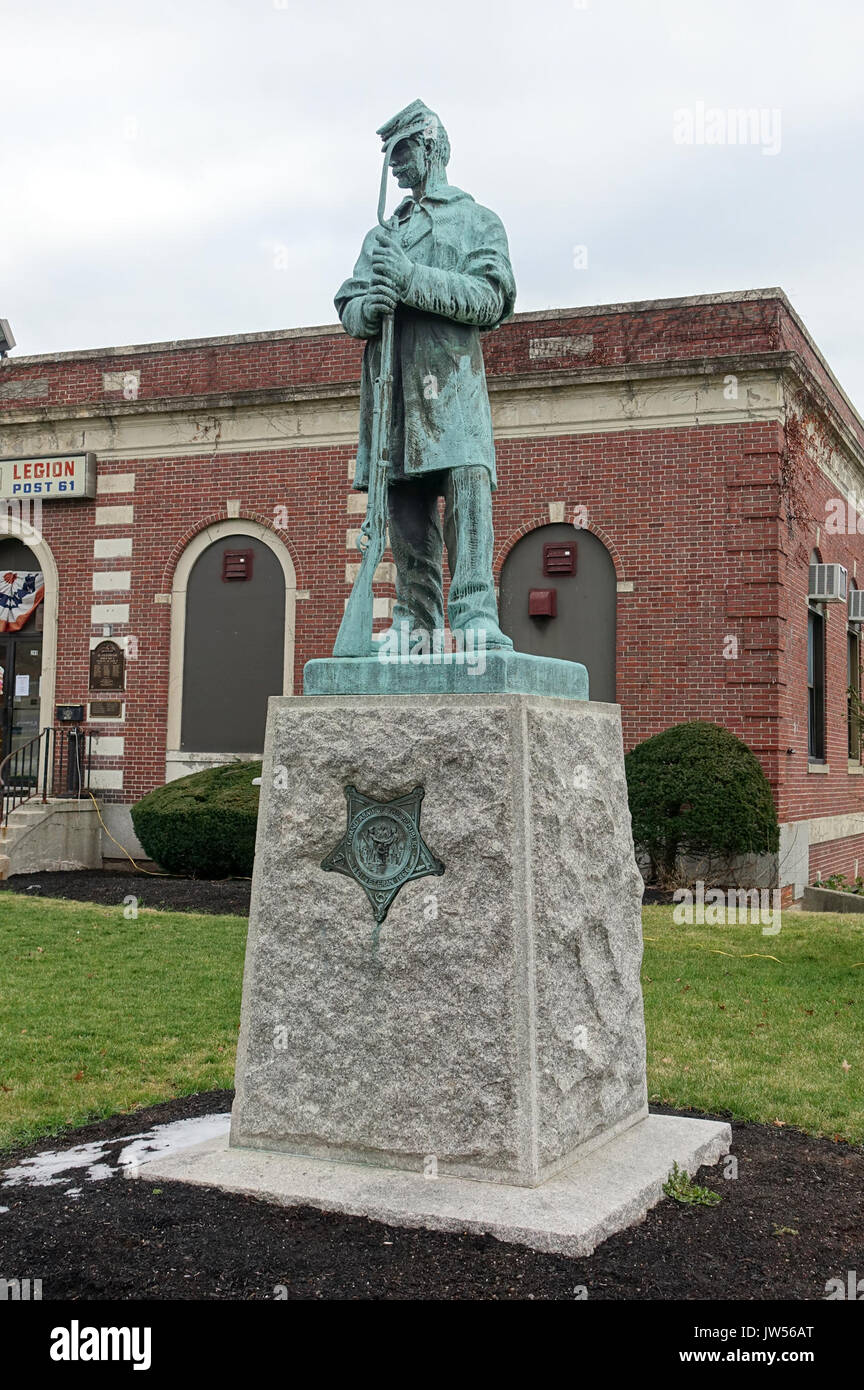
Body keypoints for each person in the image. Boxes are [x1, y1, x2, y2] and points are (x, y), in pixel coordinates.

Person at [335, 99, 516, 649]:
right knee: (406, 514)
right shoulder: (383, 235)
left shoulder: (476, 221)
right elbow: (348, 303)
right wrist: (367, 310)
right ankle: (415, 622)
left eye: (402, 151)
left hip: (452, 391)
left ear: (432, 148)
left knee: (467, 494)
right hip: (393, 398)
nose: (393, 165)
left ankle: (475, 616)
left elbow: (491, 299)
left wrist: (412, 280)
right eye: (389, 156)